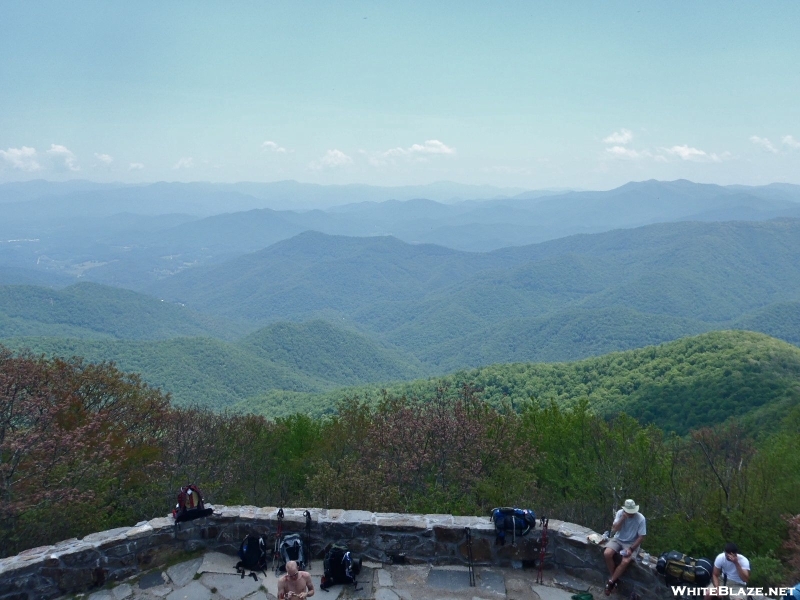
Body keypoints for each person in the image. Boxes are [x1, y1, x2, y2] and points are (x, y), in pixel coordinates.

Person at [603, 499, 647, 595]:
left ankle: (611, 582)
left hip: (631, 542)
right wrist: (622, 519)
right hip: (618, 539)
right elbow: (615, 529)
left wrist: (631, 549)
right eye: (629, 512)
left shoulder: (641, 519)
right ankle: (614, 579)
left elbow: (641, 537)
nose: (631, 514)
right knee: (607, 553)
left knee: (626, 561)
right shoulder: (620, 513)